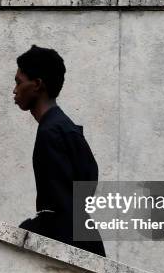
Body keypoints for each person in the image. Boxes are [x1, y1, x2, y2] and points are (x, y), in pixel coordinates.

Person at [13, 45, 105, 257]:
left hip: (72, 250)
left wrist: (27, 231)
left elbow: (61, 207)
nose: (15, 89)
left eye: (19, 82)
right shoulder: (63, 127)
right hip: (83, 241)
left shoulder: (51, 132)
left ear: (37, 85)